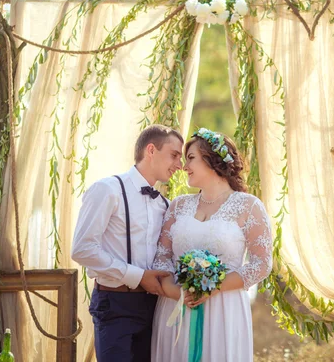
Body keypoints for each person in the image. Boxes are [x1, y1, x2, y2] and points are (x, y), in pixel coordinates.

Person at [151, 127, 273, 362]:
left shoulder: (248, 206)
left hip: (224, 310)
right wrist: (179, 293)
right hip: (176, 309)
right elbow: (161, 258)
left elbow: (261, 263)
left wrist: (213, 288)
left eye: (191, 158)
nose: (184, 167)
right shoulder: (178, 205)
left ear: (213, 160)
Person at [71, 124, 183, 361]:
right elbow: (82, 249)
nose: (179, 165)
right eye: (174, 155)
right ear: (151, 150)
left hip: (155, 307)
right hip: (115, 304)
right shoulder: (107, 189)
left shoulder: (165, 205)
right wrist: (138, 276)